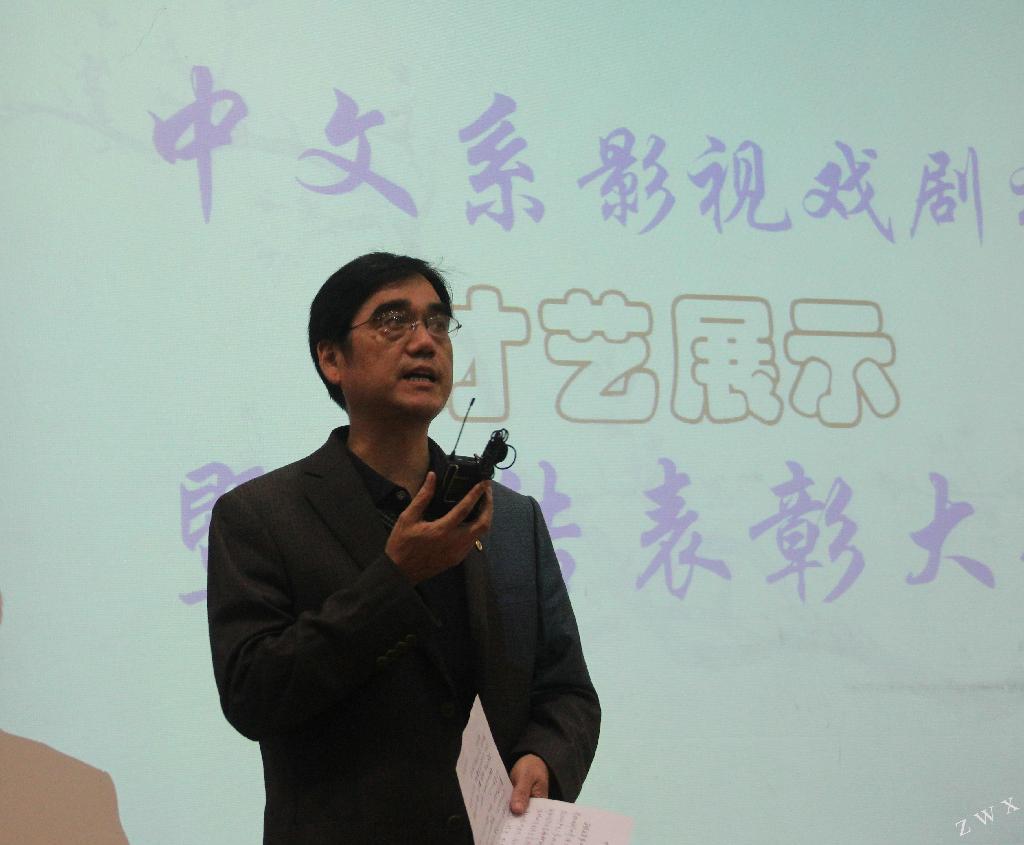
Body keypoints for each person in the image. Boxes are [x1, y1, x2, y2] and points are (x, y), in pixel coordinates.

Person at [207, 252, 600, 844]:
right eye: (393, 321)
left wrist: (544, 757)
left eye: (438, 323)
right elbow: (254, 695)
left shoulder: (511, 518)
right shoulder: (261, 516)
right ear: (331, 358)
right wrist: (395, 578)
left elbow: (567, 690)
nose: (424, 342)